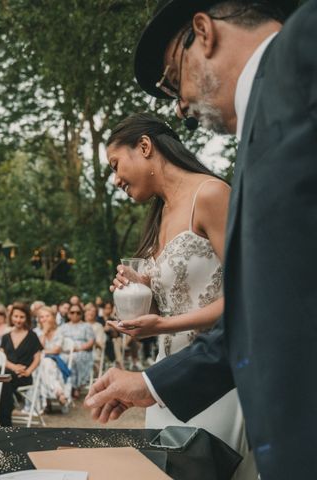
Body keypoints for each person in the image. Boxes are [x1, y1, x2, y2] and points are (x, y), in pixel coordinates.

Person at [85, 0, 316, 477]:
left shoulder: (306, 53)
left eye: (174, 80)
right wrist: (151, 378)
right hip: (194, 379)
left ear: (203, 33)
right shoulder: (257, 129)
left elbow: (248, 302)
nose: (180, 105)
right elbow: (266, 300)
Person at [104, 113, 255, 478]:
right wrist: (142, 292)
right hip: (166, 379)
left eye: (115, 164)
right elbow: (177, 302)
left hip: (214, 381)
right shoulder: (160, 215)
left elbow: (247, 299)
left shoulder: (211, 194)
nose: (115, 178)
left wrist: (164, 322)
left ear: (144, 146)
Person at [0, 302, 43, 426]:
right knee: (0, 378)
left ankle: (3, 420)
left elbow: (37, 358)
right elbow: (2, 358)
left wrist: (28, 371)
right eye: (16, 316)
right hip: (8, 373)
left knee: (1, 379)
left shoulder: (32, 336)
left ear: (27, 318)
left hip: (23, 376)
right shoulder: (6, 337)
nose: (18, 319)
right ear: (11, 317)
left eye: (21, 317)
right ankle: (3, 417)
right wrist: (13, 367)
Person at [58, 303, 95, 398]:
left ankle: (76, 386)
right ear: (68, 314)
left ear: (81, 314)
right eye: (72, 312)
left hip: (82, 351)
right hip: (66, 351)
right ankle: (65, 385)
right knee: (61, 359)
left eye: (78, 313)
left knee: (75, 358)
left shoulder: (86, 326)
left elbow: (91, 342)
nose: (75, 314)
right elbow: (58, 341)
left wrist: (78, 348)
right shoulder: (63, 327)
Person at [36, 307, 70, 409]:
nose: (45, 319)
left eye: (47, 316)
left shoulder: (59, 331)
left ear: (53, 317)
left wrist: (42, 352)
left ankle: (47, 401)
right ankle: (59, 392)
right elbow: (38, 348)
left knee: (46, 363)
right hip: (39, 363)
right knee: (44, 364)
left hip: (57, 361)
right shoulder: (35, 332)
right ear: (38, 320)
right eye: (42, 317)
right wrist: (44, 333)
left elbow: (56, 350)